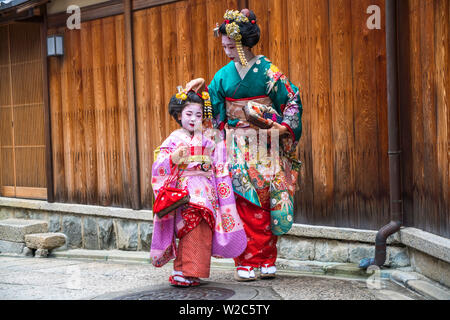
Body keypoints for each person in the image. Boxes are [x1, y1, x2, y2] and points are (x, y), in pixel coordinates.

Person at [185, 9, 303, 281]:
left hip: (266, 143)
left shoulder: (269, 72)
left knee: (266, 201)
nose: (225, 50)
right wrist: (200, 90)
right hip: (236, 145)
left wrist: (283, 127)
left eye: (229, 46)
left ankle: (266, 259)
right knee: (241, 203)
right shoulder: (223, 76)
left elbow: (292, 99)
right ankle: (246, 260)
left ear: (243, 44)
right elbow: (213, 112)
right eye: (224, 46)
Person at [150, 88, 247, 287]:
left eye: (198, 115)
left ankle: (192, 273)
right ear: (178, 115)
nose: (194, 119)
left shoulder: (208, 140)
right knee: (189, 227)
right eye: (188, 114)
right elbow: (159, 165)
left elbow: (219, 164)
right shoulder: (174, 140)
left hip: (207, 190)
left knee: (203, 230)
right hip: (185, 192)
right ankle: (182, 271)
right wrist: (173, 157)